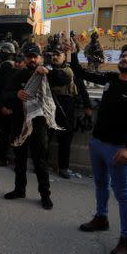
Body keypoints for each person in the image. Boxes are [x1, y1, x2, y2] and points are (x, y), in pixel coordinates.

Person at [68, 41, 127, 254]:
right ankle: (101, 218)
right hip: (97, 143)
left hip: (119, 149)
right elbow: (79, 72)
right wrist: (74, 52)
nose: (125, 58)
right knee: (99, 184)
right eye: (123, 55)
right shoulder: (111, 79)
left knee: (122, 193)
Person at [2, 43, 59, 210]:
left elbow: (65, 78)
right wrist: (16, 94)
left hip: (39, 125)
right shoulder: (17, 75)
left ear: (40, 57)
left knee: (40, 161)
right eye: (29, 56)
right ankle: (19, 190)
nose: (32, 59)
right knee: (19, 160)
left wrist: (49, 71)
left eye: (35, 56)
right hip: (19, 123)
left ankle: (45, 195)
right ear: (25, 58)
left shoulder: (46, 73)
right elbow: (4, 94)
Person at [48, 46, 80, 178]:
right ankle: (41, 163)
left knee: (65, 140)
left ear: (65, 57)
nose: (54, 57)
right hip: (49, 106)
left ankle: (63, 167)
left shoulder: (68, 71)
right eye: (53, 55)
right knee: (45, 137)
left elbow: (61, 79)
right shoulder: (47, 68)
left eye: (58, 54)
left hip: (65, 107)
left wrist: (88, 106)